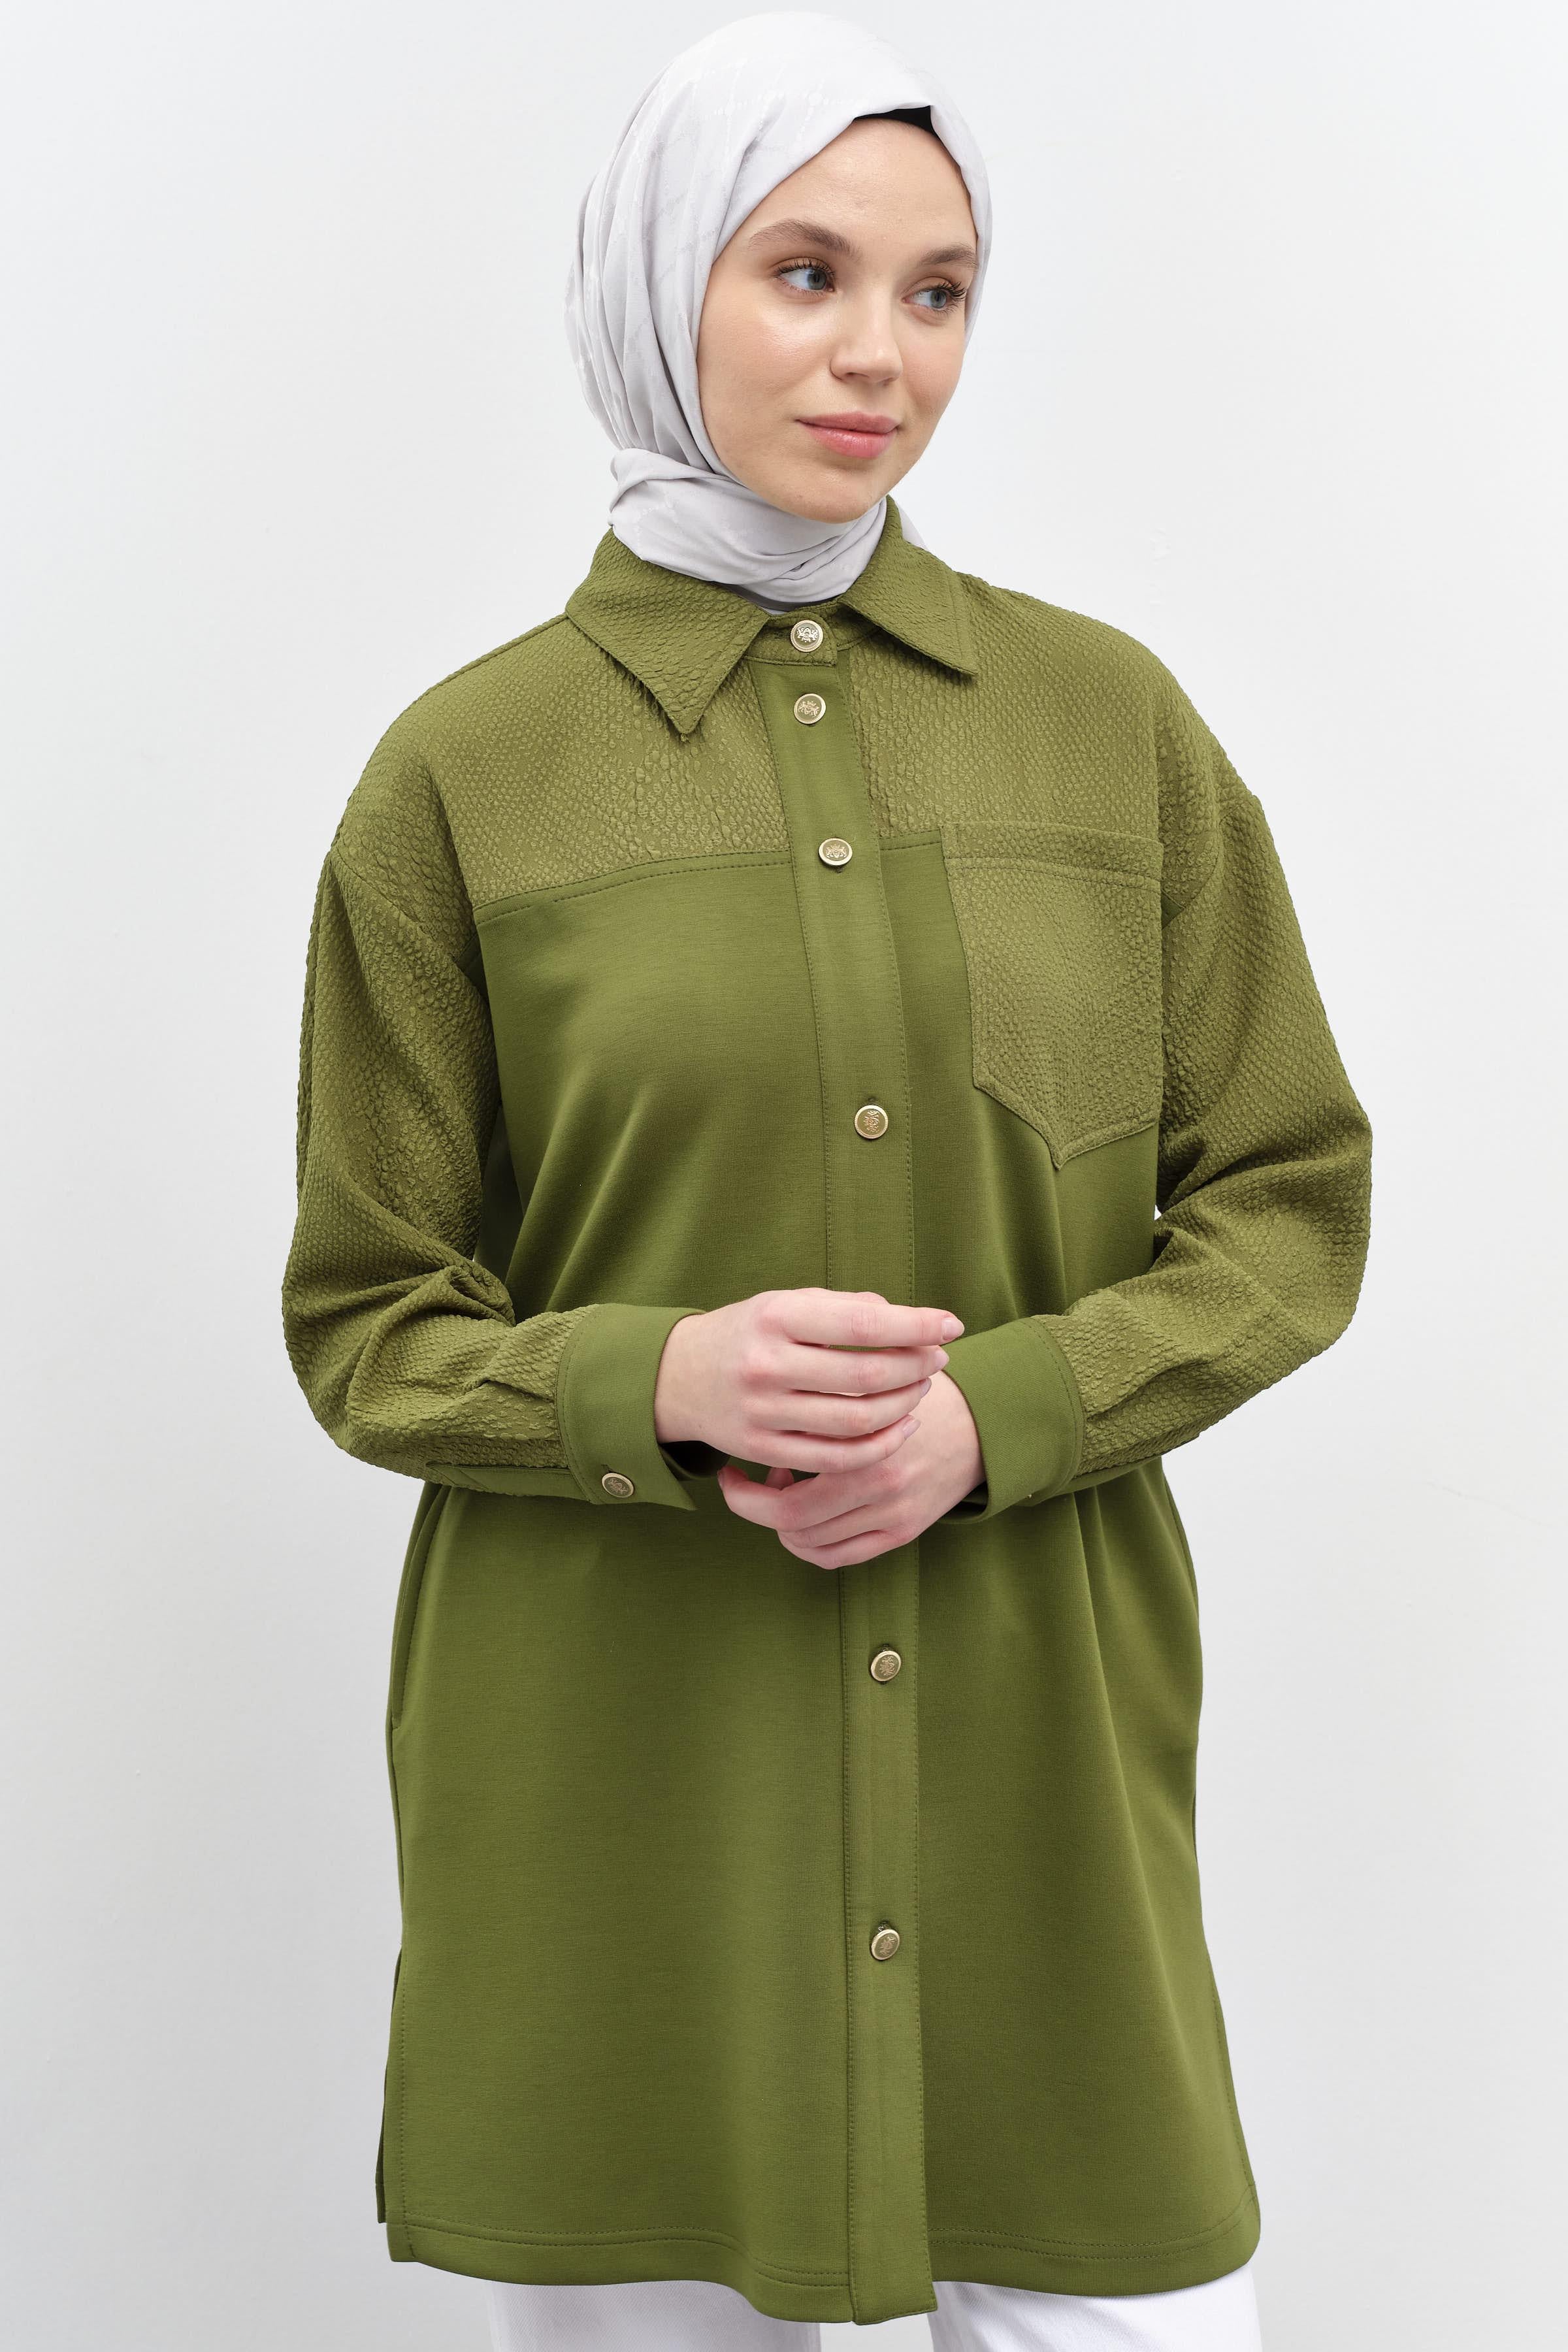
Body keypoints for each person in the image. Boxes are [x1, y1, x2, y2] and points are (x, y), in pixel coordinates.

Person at [281, 14, 1373, 2351]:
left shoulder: (1113, 730)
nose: (884, 353)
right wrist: (656, 1381)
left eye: (939, 290)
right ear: (658, 282)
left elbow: (1289, 1199)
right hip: (630, 1822)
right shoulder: (463, 778)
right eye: (806, 271)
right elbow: (366, 1324)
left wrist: (1010, 1411)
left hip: (1039, 1808)